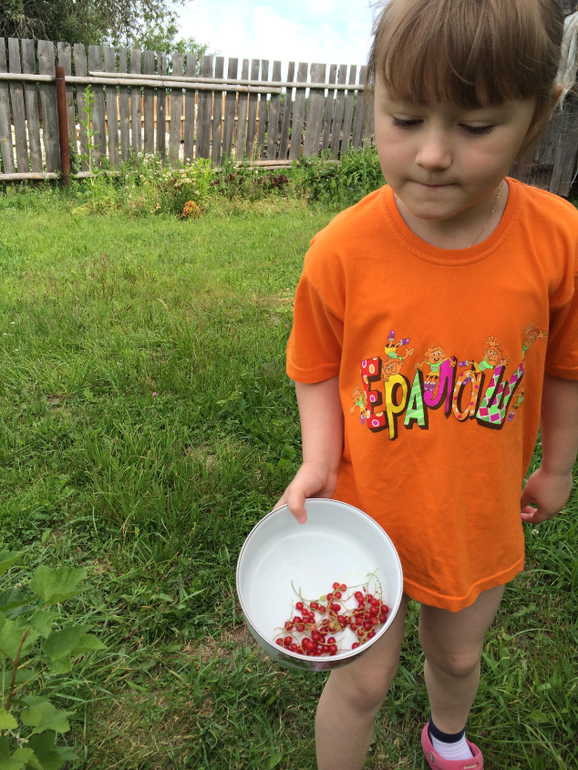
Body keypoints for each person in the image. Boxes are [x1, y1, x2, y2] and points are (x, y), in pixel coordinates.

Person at [276, 1, 578, 768]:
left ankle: (446, 737)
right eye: (405, 118)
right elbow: (313, 363)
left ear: (540, 112)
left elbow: (568, 368)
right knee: (361, 682)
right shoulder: (341, 250)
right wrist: (317, 462)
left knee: (457, 656)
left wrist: (556, 468)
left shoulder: (559, 241)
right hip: (361, 512)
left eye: (476, 127)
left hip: (474, 512)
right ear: (373, 94)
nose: (434, 154)